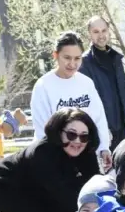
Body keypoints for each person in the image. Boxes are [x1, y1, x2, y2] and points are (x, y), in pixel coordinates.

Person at [31, 31, 112, 172]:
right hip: (54, 157)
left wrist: (103, 147)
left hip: (85, 153)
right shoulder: (43, 85)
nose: (72, 64)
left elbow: (98, 118)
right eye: (67, 58)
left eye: (77, 58)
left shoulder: (86, 83)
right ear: (55, 55)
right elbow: (42, 129)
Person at [79, 16, 125, 150]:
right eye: (96, 31)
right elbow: (86, 101)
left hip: (121, 127)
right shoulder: (84, 62)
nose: (101, 35)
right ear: (89, 34)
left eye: (104, 30)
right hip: (101, 128)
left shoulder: (116, 58)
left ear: (108, 31)